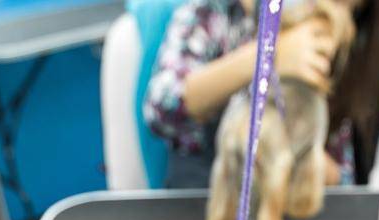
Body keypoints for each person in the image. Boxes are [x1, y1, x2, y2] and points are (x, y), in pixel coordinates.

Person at [145, 0, 353, 189]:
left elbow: (345, 181)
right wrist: (271, 54)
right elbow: (161, 107)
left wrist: (302, 151)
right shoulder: (209, 13)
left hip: (297, 208)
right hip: (202, 199)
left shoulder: (320, 22)